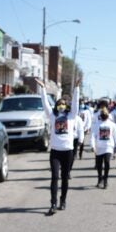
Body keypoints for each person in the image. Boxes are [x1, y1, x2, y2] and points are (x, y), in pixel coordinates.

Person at [36, 78, 80, 216]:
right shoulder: (52, 116)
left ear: (66, 106)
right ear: (56, 106)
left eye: (63, 103)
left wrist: (76, 89)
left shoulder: (72, 116)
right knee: (55, 177)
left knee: (65, 177)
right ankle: (53, 204)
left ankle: (63, 200)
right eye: (59, 103)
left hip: (68, 151)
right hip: (55, 151)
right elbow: (44, 103)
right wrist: (43, 89)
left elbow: (76, 104)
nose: (61, 105)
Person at [91, 107, 116, 189]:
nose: (104, 116)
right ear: (100, 115)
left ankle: (106, 180)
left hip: (108, 147)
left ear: (108, 115)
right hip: (99, 147)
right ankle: (100, 178)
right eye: (102, 114)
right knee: (99, 165)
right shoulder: (97, 124)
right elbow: (93, 136)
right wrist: (93, 145)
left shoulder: (112, 125)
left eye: (105, 114)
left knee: (107, 162)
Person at [69, 114, 84, 179]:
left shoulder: (78, 119)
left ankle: (68, 170)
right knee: (66, 157)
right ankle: (65, 170)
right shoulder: (66, 117)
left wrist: (81, 139)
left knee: (73, 156)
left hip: (75, 139)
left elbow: (80, 130)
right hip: (67, 139)